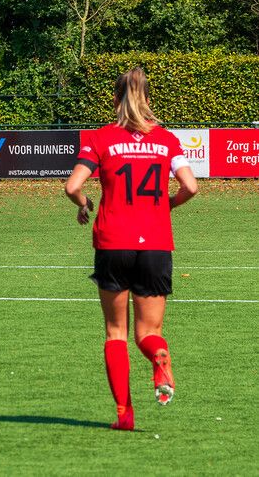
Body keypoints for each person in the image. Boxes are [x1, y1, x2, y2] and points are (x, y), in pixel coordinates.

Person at [64, 67, 198, 431]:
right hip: (155, 242)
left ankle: (124, 415)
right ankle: (158, 355)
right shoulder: (167, 140)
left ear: (114, 99)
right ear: (148, 99)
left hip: (113, 242)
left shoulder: (101, 138)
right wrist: (165, 205)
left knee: (115, 332)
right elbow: (192, 186)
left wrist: (83, 202)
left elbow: (73, 184)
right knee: (148, 331)